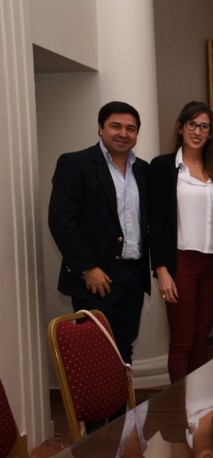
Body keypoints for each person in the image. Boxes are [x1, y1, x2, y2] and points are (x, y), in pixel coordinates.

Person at [48, 101, 150, 363]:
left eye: (130, 128)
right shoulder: (76, 164)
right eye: (116, 126)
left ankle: (124, 393)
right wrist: (87, 268)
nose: (123, 133)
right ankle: (99, 394)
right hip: (95, 277)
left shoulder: (143, 170)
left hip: (133, 275)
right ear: (100, 128)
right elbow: (61, 221)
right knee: (95, 353)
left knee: (124, 347)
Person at [149, 101, 213, 383]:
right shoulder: (164, 167)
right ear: (180, 128)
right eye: (192, 124)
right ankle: (180, 406)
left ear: (210, 133)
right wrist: (161, 269)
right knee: (183, 339)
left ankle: (199, 404)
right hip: (181, 262)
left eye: (204, 126)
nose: (197, 131)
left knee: (203, 337)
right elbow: (156, 222)